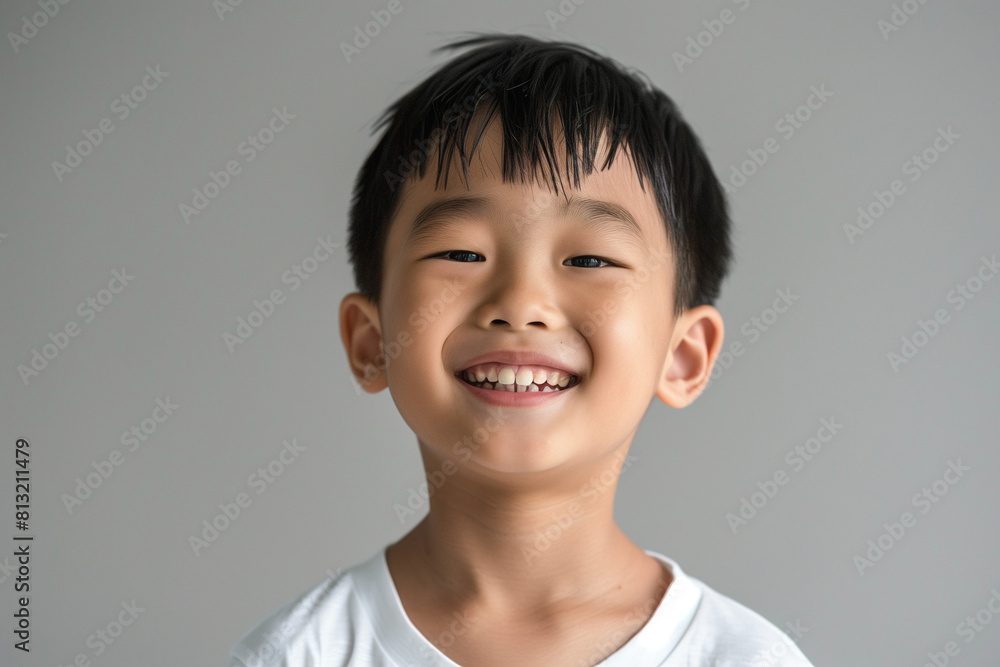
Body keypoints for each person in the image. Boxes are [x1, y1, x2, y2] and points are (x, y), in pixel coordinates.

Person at [228, 33, 816, 666]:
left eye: (590, 259)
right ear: (371, 343)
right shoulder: (299, 654)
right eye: (460, 253)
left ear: (682, 356)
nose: (521, 303)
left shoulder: (746, 658)